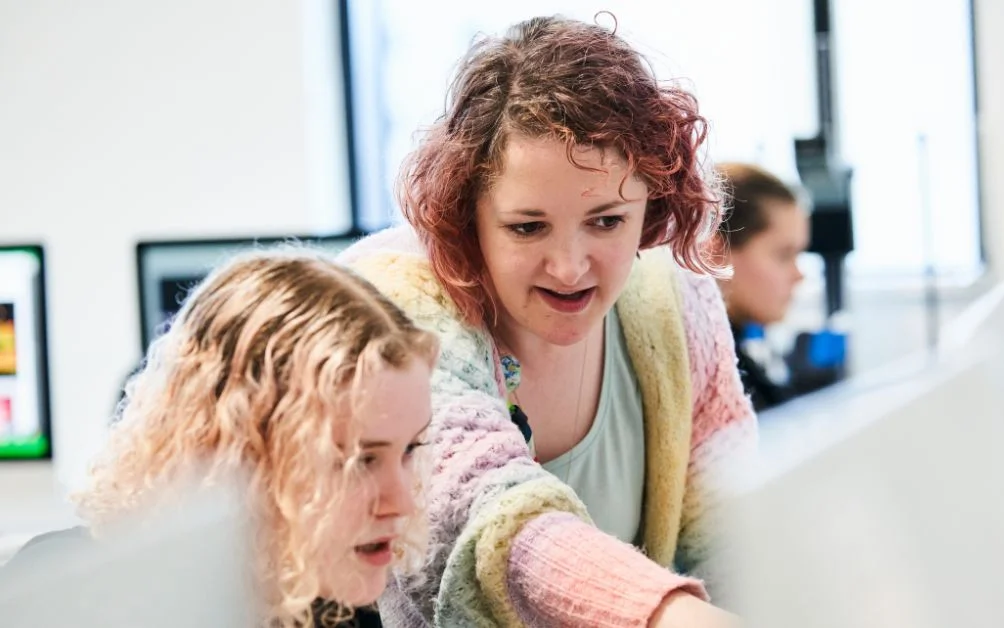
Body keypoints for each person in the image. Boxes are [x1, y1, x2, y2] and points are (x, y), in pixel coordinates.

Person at [339, 14, 755, 627]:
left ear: (652, 204)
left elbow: (733, 525)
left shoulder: (675, 302)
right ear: (466, 217)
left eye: (607, 221)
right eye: (527, 227)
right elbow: (490, 518)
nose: (569, 268)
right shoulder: (394, 312)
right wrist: (669, 615)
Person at [2, 251, 439, 627]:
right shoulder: (61, 595)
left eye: (410, 449)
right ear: (241, 448)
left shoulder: (339, 610)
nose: (401, 502)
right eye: (360, 460)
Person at [712, 163, 811, 412]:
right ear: (715, 252)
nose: (799, 275)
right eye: (784, 255)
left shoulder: (742, 356)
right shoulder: (706, 374)